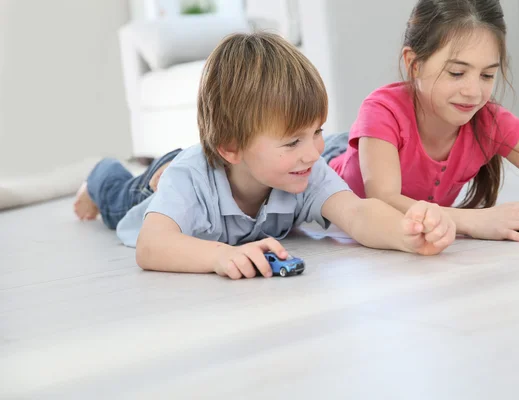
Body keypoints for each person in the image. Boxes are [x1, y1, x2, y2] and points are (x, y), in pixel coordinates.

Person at [73, 32, 456, 279]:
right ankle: (98, 175)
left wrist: (405, 235)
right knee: (115, 193)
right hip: (154, 186)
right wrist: (219, 256)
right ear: (231, 148)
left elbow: (355, 213)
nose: (313, 152)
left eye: (318, 132)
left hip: (219, 160)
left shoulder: (305, 167)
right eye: (293, 142)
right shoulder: (189, 179)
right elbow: (151, 246)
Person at [326, 0, 519, 242]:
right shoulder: (382, 110)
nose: (473, 92)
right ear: (414, 64)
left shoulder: (491, 123)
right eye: (457, 73)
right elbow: (381, 203)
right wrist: (474, 221)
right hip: (330, 160)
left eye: (487, 76)